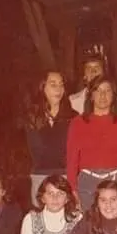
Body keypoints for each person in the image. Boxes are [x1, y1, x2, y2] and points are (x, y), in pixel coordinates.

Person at [66, 75, 117, 211]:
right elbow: (72, 160)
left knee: (113, 228)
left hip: (115, 180)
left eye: (107, 91)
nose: (103, 95)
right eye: (98, 91)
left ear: (113, 96)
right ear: (91, 95)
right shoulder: (77, 123)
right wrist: (73, 189)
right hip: (87, 183)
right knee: (88, 226)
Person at [20, 69, 75, 205]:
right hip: (40, 175)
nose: (58, 89)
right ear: (42, 87)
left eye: (61, 85)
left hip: (65, 176)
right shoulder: (31, 116)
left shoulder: (73, 117)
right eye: (53, 84)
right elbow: (34, 151)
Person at [68, 53, 117, 120]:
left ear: (104, 73)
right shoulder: (73, 101)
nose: (93, 71)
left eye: (97, 67)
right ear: (84, 75)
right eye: (88, 68)